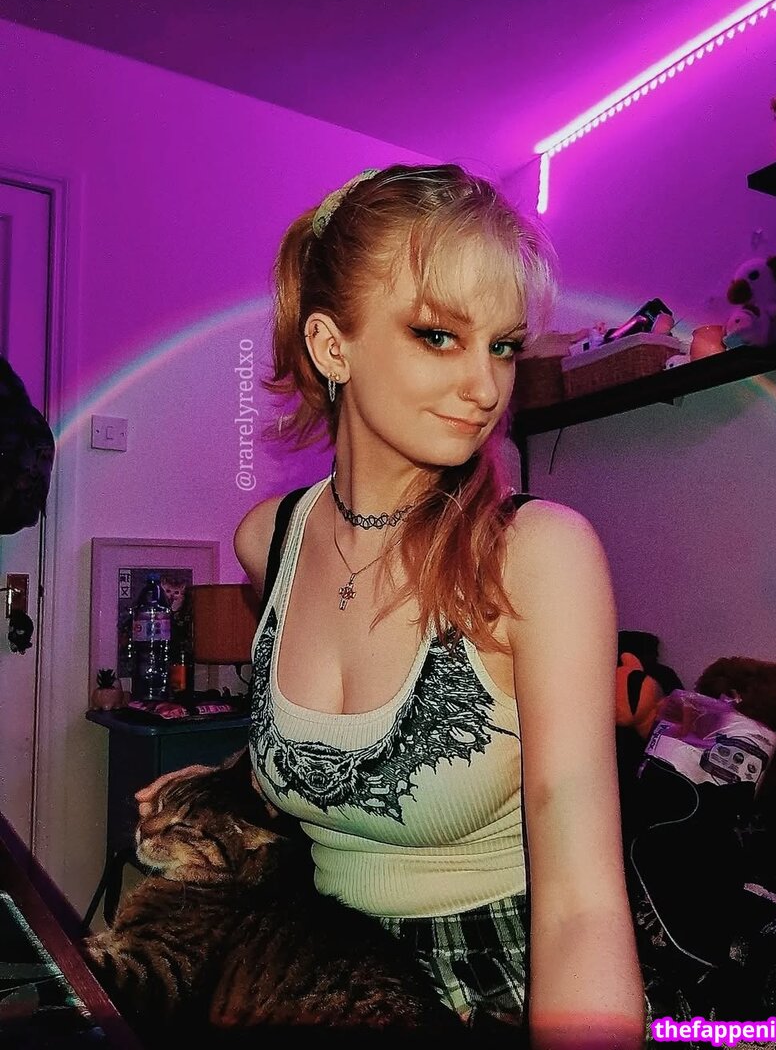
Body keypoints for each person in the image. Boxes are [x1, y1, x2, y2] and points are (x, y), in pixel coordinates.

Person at [138, 164, 644, 1049]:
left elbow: (582, 909)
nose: (486, 387)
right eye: (440, 336)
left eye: (503, 346)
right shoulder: (269, 541)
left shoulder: (538, 556)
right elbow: (331, 750)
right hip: (303, 968)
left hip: (484, 989)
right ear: (332, 347)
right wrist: (217, 783)